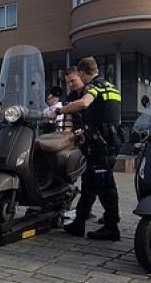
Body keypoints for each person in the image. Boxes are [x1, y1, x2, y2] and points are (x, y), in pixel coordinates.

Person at [49, 58, 123, 241]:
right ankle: (79, 222)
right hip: (109, 141)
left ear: (82, 73)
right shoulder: (112, 87)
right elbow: (106, 114)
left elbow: (84, 103)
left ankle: (112, 227)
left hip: (101, 145)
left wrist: (59, 111)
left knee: (106, 186)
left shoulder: (94, 86)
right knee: (89, 183)